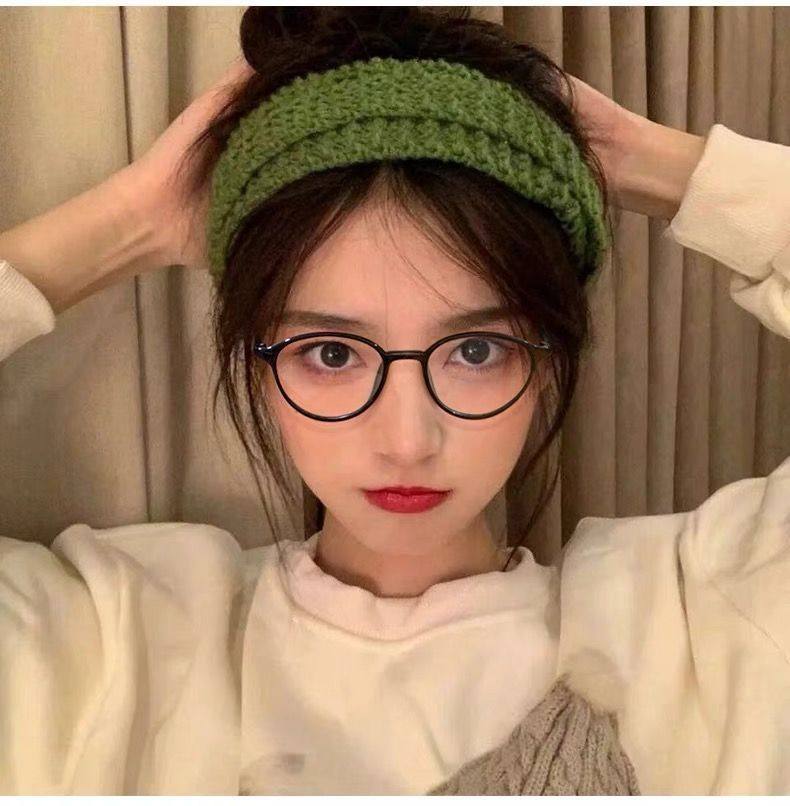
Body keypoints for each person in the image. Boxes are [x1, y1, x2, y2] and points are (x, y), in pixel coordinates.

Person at [0, 7, 788, 797]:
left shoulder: (705, 617)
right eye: (331, 354)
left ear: (549, 359)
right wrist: (131, 222)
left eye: (476, 351)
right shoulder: (108, 642)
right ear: (257, 363)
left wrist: (635, 160)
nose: (407, 439)